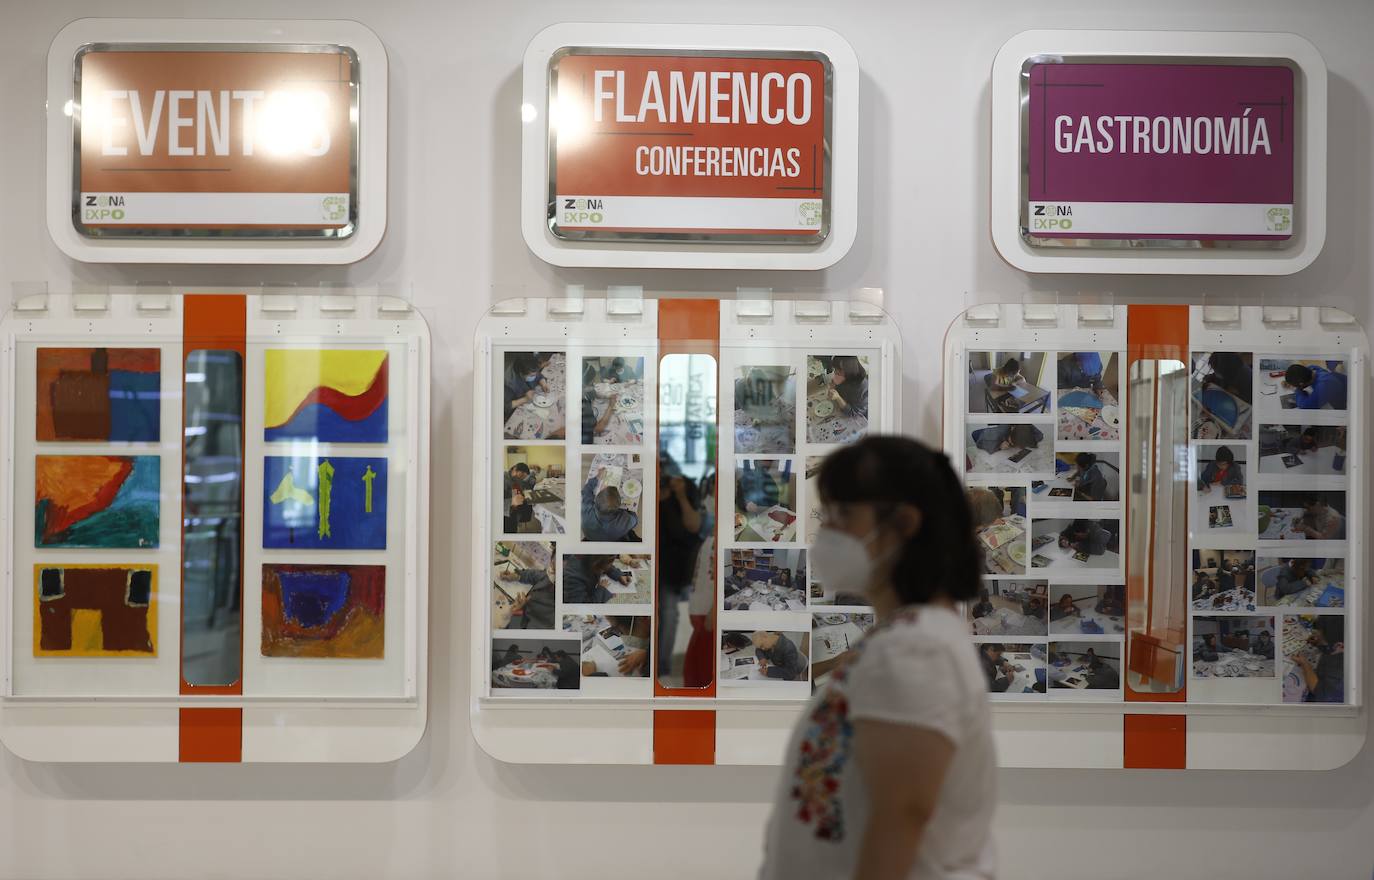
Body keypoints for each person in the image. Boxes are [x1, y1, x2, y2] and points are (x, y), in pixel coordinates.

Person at [760, 436, 995, 880]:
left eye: (843, 515)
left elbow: (902, 815)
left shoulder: (916, 651)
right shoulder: (903, 637)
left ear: (903, 523)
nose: (826, 530)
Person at [658, 470, 703, 676]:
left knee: (668, 615)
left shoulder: (683, 487)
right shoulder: (646, 484)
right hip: (649, 560)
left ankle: (662, 667)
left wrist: (681, 495)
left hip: (675, 566)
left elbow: (693, 526)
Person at [581, 468, 639, 542]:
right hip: (614, 539)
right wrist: (624, 513)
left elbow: (586, 491)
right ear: (619, 506)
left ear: (595, 500)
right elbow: (635, 519)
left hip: (591, 537)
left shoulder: (586, 511)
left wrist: (597, 477)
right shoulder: (623, 521)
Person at [1294, 626, 1345, 703]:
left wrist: (1305, 664)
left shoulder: (1340, 668)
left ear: (1339, 645)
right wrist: (1319, 643)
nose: (1314, 637)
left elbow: (1317, 690)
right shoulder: (1339, 648)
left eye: (1320, 637)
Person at [499, 564, 556, 631]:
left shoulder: (555, 618)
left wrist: (518, 612)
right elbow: (540, 575)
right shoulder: (552, 575)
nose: (551, 572)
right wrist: (518, 576)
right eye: (552, 566)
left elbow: (523, 637)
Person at [563, 554, 630, 604]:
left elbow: (606, 564)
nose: (610, 565)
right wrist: (601, 589)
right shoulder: (572, 578)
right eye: (602, 569)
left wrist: (619, 575)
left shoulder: (593, 558)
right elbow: (584, 606)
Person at [503, 353, 543, 418]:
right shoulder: (509, 383)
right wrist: (525, 399)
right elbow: (506, 406)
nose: (534, 377)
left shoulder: (525, 368)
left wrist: (543, 383)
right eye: (532, 376)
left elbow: (536, 374)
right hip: (510, 409)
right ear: (521, 374)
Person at [503, 462, 535, 533]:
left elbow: (521, 486)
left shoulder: (516, 478)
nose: (522, 478)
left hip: (514, 511)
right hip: (505, 514)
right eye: (522, 475)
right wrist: (511, 502)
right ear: (515, 469)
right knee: (510, 530)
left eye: (524, 477)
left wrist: (524, 492)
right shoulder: (503, 479)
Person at [972, 423, 1043, 455]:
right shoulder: (998, 434)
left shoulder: (1025, 425)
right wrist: (999, 447)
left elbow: (1040, 436)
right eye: (1012, 443)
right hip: (982, 436)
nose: (1012, 445)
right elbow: (979, 444)